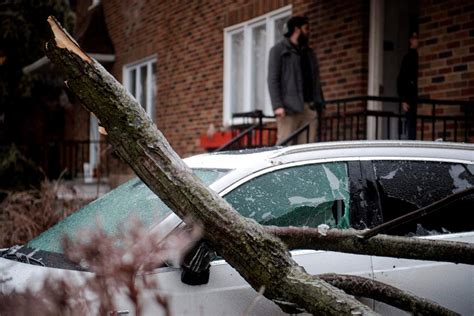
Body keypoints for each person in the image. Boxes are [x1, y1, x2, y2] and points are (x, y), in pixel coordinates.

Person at [267, 16, 324, 145]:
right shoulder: (278, 50)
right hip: (288, 109)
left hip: (309, 108)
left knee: (307, 148)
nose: (309, 32)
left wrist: (320, 103)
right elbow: (273, 79)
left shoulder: (309, 53)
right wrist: (277, 105)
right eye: (306, 28)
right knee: (285, 146)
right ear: (297, 29)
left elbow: (315, 80)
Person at [397, 31, 419, 140]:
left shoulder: (418, 55)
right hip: (410, 97)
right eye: (415, 38)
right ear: (411, 40)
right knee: (411, 126)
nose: (417, 40)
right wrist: (403, 99)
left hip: (417, 96)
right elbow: (402, 78)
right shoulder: (409, 57)